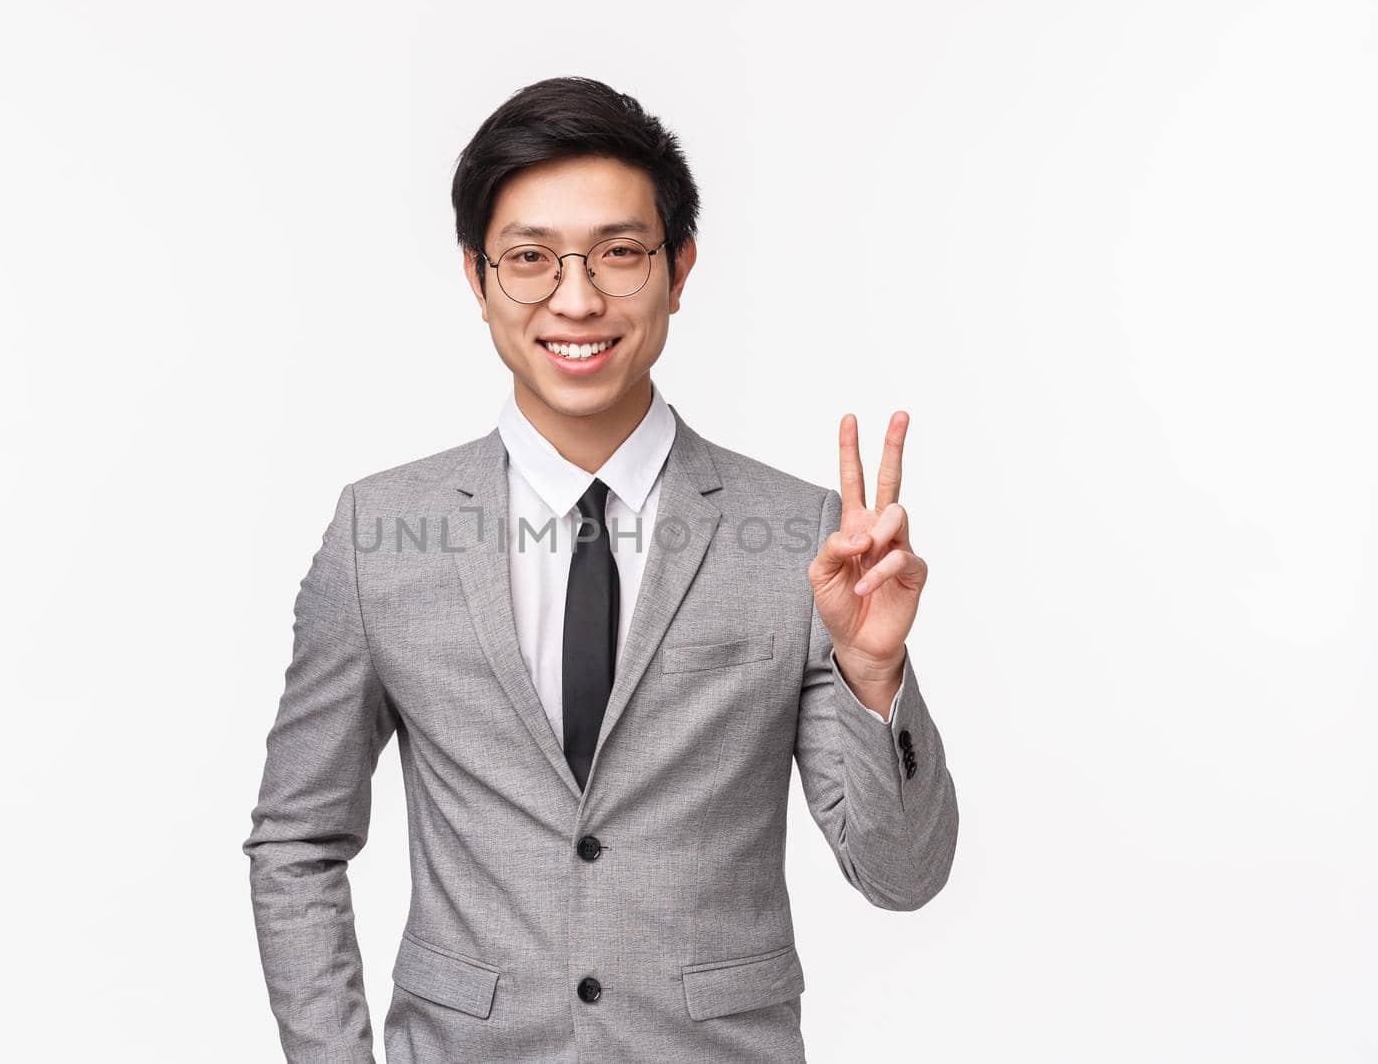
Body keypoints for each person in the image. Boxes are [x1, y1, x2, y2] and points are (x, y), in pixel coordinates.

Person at [244, 76, 958, 1064]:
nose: (575, 298)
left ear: (679, 268)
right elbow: (295, 841)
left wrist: (873, 677)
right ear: (476, 275)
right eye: (531, 258)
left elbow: (901, 873)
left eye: (619, 254)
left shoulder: (805, 536)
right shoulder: (379, 533)